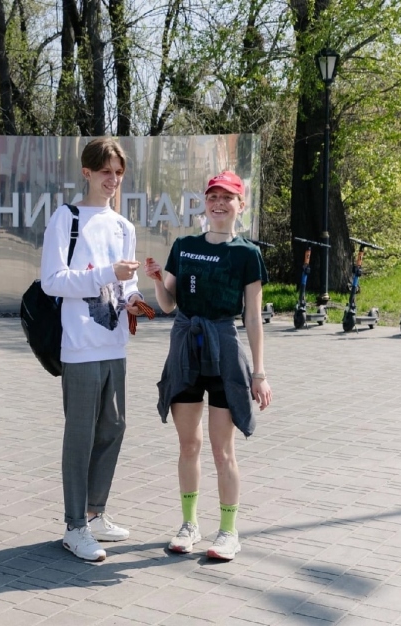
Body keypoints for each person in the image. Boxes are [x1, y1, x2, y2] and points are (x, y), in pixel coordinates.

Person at [144, 170, 272, 559]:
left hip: (224, 350)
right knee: (188, 445)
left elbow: (253, 317)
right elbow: (168, 305)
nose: (219, 203)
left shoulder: (247, 254)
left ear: (240, 205)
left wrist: (259, 373)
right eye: (213, 197)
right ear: (205, 203)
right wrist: (157, 280)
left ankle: (229, 531)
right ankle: (189, 525)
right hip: (186, 347)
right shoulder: (184, 246)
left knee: (222, 450)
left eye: (227, 197)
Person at [40, 137, 145, 562]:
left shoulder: (124, 227)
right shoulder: (66, 218)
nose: (113, 180)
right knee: (80, 435)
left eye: (118, 173)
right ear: (87, 172)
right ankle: (74, 526)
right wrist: (106, 273)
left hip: (114, 344)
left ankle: (95, 513)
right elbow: (52, 281)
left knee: (113, 428)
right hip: (80, 345)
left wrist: (135, 299)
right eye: (105, 172)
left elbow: (127, 282)